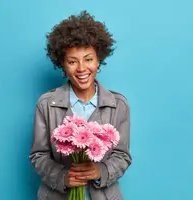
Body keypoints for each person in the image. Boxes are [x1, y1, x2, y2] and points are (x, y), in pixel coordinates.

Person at [29, 10, 132, 200]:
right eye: (72, 61)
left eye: (88, 59)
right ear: (62, 64)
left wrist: (99, 171)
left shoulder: (119, 104)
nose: (82, 68)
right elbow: (39, 155)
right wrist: (62, 177)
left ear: (99, 60)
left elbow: (122, 155)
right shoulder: (46, 104)